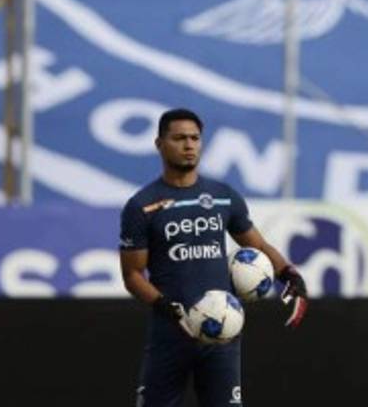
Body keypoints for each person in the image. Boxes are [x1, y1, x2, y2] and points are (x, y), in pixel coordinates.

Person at [120, 107, 308, 406]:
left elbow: (258, 245)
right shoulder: (141, 206)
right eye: (179, 138)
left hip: (223, 332)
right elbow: (132, 275)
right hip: (171, 333)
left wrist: (288, 273)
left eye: (195, 138)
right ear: (159, 144)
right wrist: (165, 305)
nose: (189, 145)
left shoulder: (223, 196)